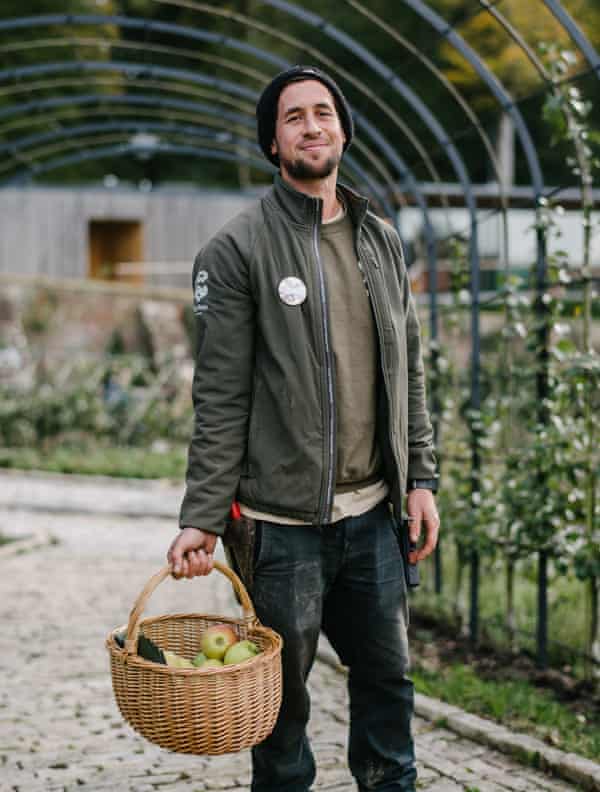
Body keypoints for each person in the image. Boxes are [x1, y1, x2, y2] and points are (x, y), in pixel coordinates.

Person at [167, 65, 440, 792]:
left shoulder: (380, 239)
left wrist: (419, 479)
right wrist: (201, 517)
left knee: (388, 689)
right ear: (272, 143)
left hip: (372, 515)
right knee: (280, 716)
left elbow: (407, 369)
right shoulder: (236, 250)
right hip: (278, 527)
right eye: (294, 117)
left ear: (343, 131)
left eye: (324, 113)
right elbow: (219, 395)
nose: (312, 126)